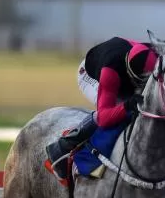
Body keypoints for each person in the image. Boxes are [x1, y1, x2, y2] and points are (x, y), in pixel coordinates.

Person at [45, 36, 158, 179]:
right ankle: (63, 146)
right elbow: (104, 117)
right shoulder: (111, 72)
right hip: (90, 75)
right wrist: (126, 106)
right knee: (117, 115)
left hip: (121, 64)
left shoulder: (155, 54)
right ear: (131, 74)